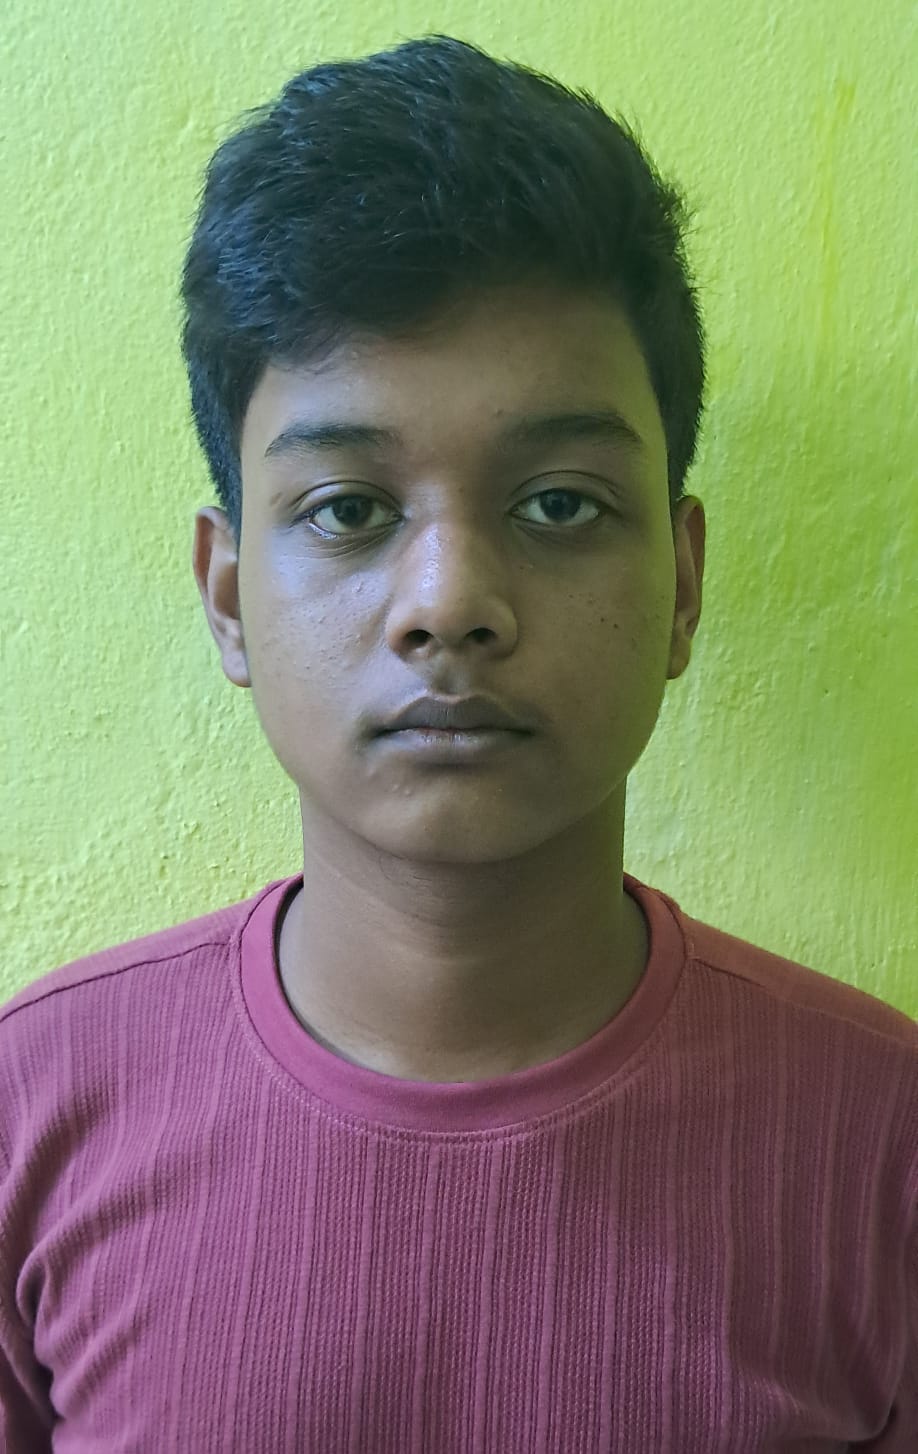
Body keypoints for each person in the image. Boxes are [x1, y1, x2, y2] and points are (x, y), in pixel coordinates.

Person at [1, 34, 914, 1452]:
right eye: (348, 510)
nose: (449, 603)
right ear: (227, 595)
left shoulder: (882, 1145)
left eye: (559, 504)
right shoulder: (34, 1115)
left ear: (681, 584)